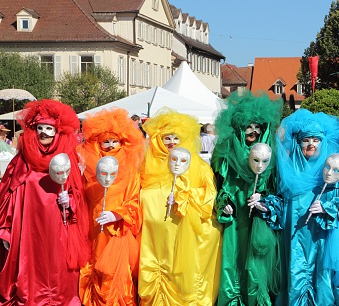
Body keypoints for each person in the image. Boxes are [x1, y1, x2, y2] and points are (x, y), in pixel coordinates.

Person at [0, 99, 90, 305]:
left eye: (49, 128)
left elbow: (78, 194)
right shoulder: (21, 160)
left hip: (58, 228)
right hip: (28, 230)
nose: (44, 133)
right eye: (40, 128)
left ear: (58, 131)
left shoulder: (68, 158)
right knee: (30, 267)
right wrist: (6, 228)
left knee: (58, 269)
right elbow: (8, 193)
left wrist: (70, 202)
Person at [276, 109, 339, 305]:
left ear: (323, 143)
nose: (310, 144)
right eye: (306, 140)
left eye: (315, 140)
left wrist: (327, 208)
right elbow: (279, 202)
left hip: (322, 238)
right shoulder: (288, 171)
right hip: (294, 239)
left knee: (322, 279)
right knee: (296, 275)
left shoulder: (332, 171)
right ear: (298, 143)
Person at [137, 108, 222, 305]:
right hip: (153, 238)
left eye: (176, 138)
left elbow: (209, 196)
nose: (172, 142)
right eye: (167, 138)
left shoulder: (198, 165)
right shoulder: (147, 164)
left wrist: (185, 197)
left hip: (183, 234)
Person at [212, 90, 283, 306]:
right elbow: (219, 189)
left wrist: (265, 203)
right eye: (247, 126)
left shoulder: (273, 159)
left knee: (257, 267)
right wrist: (225, 204)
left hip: (260, 225)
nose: (252, 131)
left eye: (257, 127)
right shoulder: (226, 157)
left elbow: (279, 195)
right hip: (236, 223)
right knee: (234, 263)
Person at [79, 108, 145, 305]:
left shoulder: (131, 170)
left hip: (118, 231)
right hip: (93, 229)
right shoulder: (89, 168)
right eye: (105, 141)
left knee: (116, 275)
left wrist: (117, 214)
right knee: (95, 265)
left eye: (114, 141)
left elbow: (134, 202)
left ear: (122, 142)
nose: (109, 145)